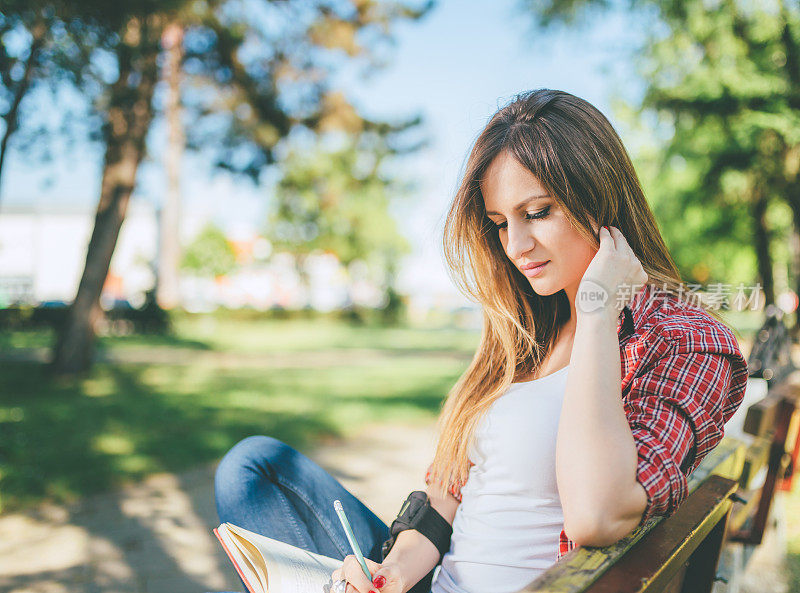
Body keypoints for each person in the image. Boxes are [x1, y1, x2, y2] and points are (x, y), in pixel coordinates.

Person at [213, 89, 749, 593]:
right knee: (254, 467)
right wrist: (394, 572)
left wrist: (597, 310)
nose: (516, 245)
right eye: (499, 222)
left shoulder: (685, 340)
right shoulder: (524, 328)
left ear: (602, 200)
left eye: (537, 212)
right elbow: (447, 490)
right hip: (433, 579)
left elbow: (596, 515)